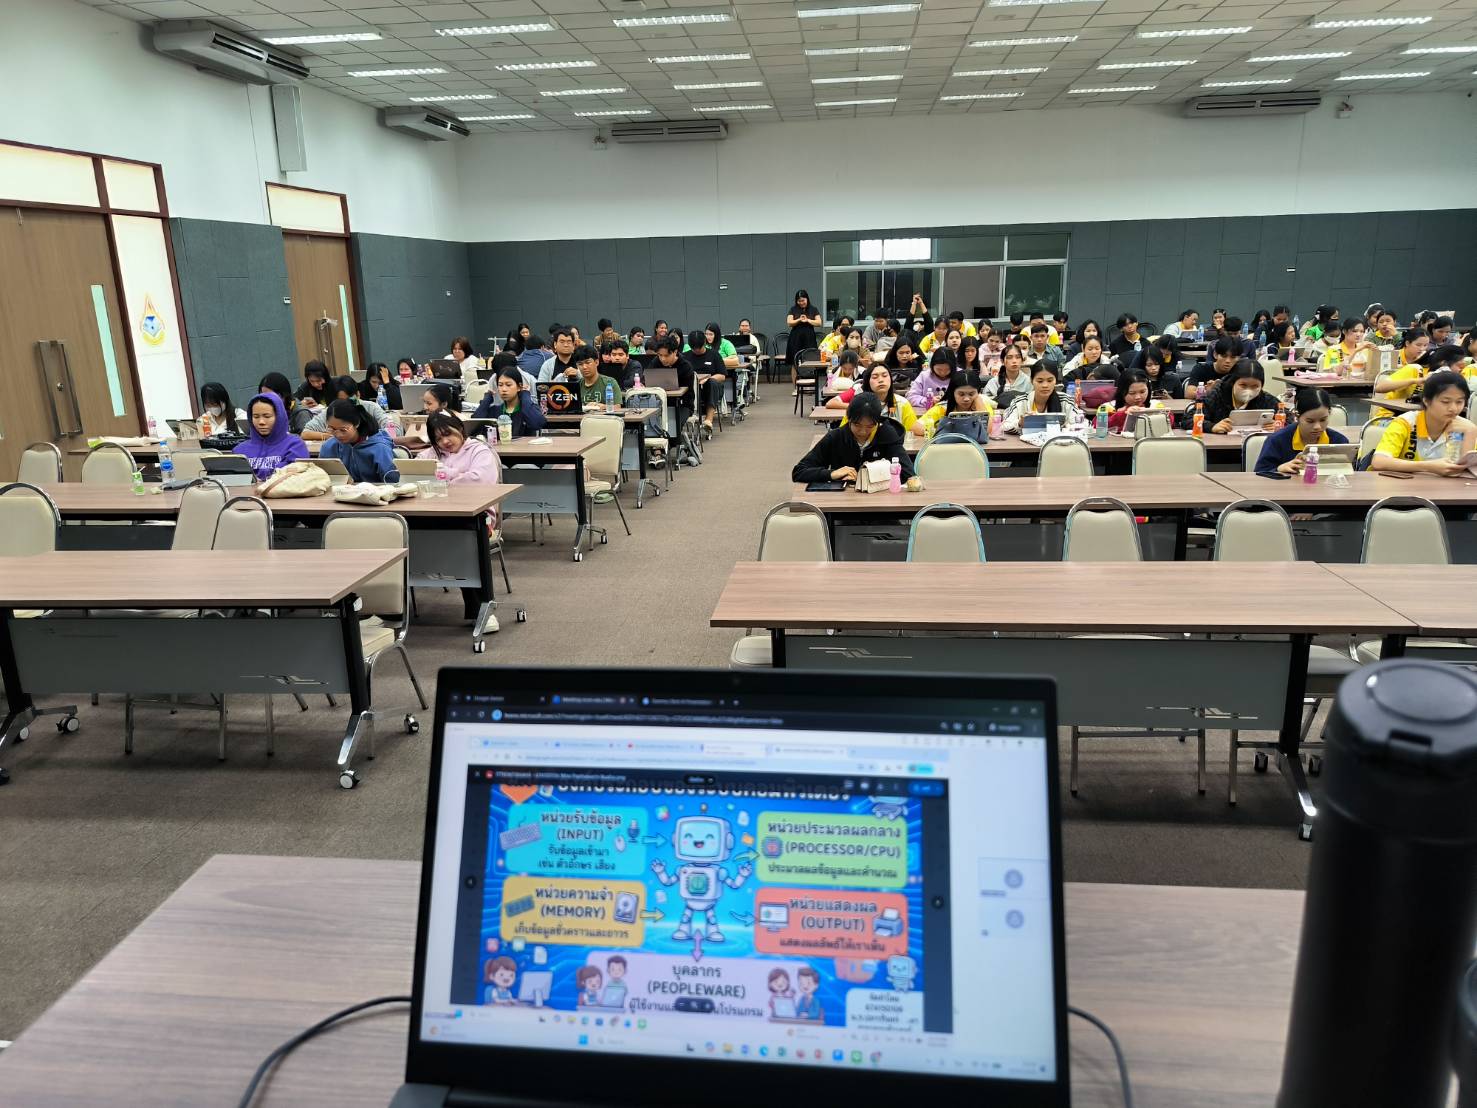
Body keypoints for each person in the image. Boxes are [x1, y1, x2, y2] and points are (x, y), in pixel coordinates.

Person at [791, 392, 915, 484]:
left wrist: (874, 475)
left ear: (877, 422)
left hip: (880, 503)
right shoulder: (836, 437)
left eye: (870, 426)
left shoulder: (888, 435)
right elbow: (799, 471)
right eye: (857, 425)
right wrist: (832, 474)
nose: (863, 431)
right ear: (848, 419)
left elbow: (909, 475)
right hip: (843, 505)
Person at [1370, 371, 1476, 475]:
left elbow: (1464, 471)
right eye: (1445, 402)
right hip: (1400, 485)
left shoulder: (1464, 427)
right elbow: (1379, 462)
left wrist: (1471, 434)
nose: (1453, 408)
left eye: (1459, 402)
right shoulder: (1406, 422)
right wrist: (1428, 467)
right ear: (1426, 401)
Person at [1255, 388, 1349, 478]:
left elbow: (1349, 474)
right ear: (1297, 416)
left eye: (1323, 420)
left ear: (1329, 413)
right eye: (1310, 421)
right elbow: (1259, 473)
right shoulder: (1277, 440)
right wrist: (1278, 469)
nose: (1317, 427)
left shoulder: (1340, 442)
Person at [318, 398, 400, 483]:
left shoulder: (379, 448)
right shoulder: (329, 447)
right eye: (332, 429)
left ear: (357, 423)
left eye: (343, 430)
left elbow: (394, 483)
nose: (338, 435)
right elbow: (322, 479)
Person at [826, 362, 918, 436]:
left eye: (884, 375)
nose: (881, 380)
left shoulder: (902, 403)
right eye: (875, 377)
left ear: (891, 379)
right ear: (868, 382)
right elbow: (843, 434)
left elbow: (915, 431)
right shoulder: (857, 404)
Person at [233, 392, 308, 480]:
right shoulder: (239, 451)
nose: (261, 422)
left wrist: (255, 475)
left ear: (279, 417)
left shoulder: (295, 446)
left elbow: (293, 476)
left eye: (267, 416)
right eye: (256, 417)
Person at [301, 375, 394, 441]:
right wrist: (333, 436)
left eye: (349, 400)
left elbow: (392, 430)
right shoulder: (332, 411)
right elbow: (305, 433)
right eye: (341, 401)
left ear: (358, 394)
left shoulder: (371, 407)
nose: (346, 405)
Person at [1201, 359, 1278, 432]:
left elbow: (1284, 415)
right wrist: (1211, 426)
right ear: (1232, 383)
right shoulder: (1216, 394)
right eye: (1243, 385)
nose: (1248, 390)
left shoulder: (1265, 399)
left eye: (1255, 386)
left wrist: (1279, 424)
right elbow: (1194, 417)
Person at [1001, 362, 1079, 433]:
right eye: (1040, 381)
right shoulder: (1020, 402)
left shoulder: (1066, 401)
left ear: (1055, 381)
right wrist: (1020, 423)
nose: (1045, 385)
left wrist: (1067, 427)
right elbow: (1004, 426)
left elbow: (1079, 425)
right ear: (1031, 381)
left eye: (1050, 381)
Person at [1371, 328, 1434, 416]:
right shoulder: (1394, 356)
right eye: (1418, 345)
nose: (1422, 349)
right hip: (1391, 406)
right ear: (1407, 343)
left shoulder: (1426, 363)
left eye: (1425, 345)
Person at [915, 369, 993, 438]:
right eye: (961, 394)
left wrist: (978, 401)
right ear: (953, 393)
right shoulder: (942, 408)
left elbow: (988, 430)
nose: (966, 399)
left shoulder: (983, 406)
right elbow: (916, 427)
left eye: (971, 394)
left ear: (978, 392)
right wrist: (943, 433)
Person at [474, 366, 548, 436]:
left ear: (519, 387)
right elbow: (474, 428)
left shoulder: (529, 408)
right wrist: (486, 400)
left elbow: (537, 424)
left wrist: (525, 395)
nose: (504, 389)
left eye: (508, 385)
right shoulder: (494, 411)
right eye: (500, 385)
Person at [567, 344, 623, 411]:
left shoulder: (610, 383)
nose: (584, 367)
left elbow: (618, 407)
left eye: (588, 362)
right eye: (580, 364)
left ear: (596, 362)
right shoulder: (576, 387)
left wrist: (603, 406)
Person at [785, 290, 823, 376]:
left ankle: (811, 382)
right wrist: (799, 319)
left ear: (807, 299)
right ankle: (795, 384)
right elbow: (789, 323)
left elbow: (819, 322)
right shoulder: (793, 309)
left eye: (803, 300)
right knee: (794, 362)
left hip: (809, 337)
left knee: (811, 359)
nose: (801, 303)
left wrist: (808, 320)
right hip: (795, 338)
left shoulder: (813, 309)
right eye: (799, 301)